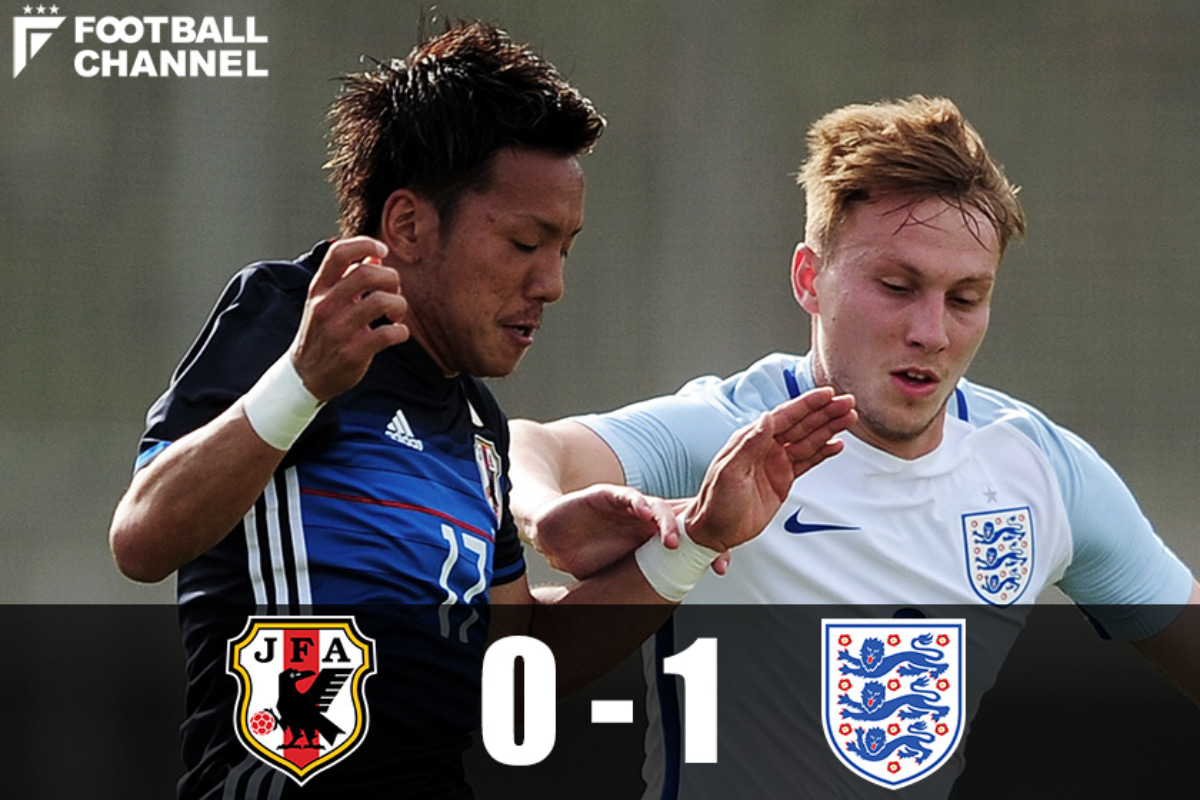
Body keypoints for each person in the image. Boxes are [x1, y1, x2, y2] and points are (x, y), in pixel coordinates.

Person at [107, 20, 858, 800]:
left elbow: (519, 662)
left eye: (564, 249)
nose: (551, 283)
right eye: (525, 243)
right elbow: (141, 539)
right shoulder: (292, 317)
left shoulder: (477, 425)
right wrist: (302, 381)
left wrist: (695, 538)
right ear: (408, 225)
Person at [509, 95, 1200, 797]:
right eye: (898, 287)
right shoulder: (732, 436)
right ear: (810, 280)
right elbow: (523, 448)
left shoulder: (1042, 471)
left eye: (965, 298)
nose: (932, 332)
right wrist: (542, 513)